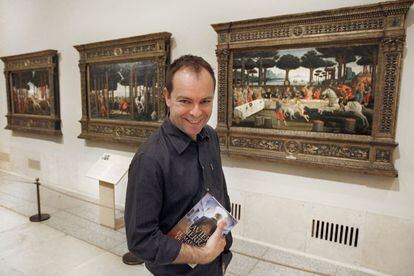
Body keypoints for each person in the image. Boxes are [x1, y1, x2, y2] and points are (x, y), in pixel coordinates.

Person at [125, 55, 233, 276]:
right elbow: (141, 241)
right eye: (185, 101)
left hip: (215, 262)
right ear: (167, 96)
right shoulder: (149, 159)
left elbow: (218, 189)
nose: (196, 112)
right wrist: (200, 255)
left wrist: (223, 240)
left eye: (205, 101)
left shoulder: (209, 136)